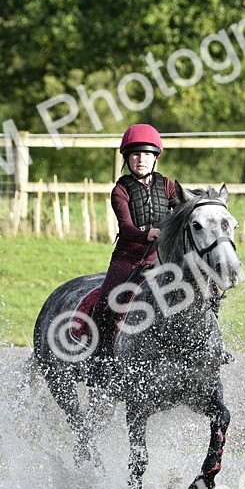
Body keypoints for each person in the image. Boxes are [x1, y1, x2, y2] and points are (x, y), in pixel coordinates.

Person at [91, 123, 183, 360]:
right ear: (127, 159)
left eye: (146, 154)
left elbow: (182, 214)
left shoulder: (168, 186)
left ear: (155, 158)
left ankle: (210, 344)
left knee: (202, 288)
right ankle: (100, 360)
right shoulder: (120, 190)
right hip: (129, 258)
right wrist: (147, 235)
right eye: (135, 154)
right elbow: (126, 228)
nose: (140, 159)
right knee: (106, 303)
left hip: (162, 258)